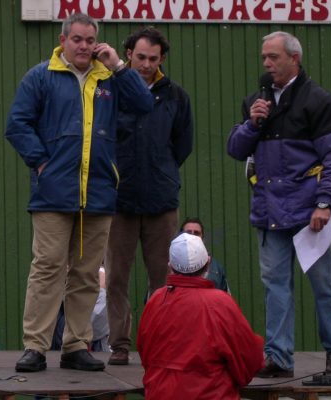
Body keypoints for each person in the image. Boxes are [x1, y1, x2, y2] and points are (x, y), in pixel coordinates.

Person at [5, 12, 153, 372]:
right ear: (63, 40)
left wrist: (119, 66)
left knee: (87, 274)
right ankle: (36, 347)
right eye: (78, 39)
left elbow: (145, 104)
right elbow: (17, 124)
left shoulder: (110, 78)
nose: (85, 46)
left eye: (90, 40)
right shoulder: (41, 76)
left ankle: (75, 345)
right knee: (48, 268)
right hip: (54, 193)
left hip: (99, 192)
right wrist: (41, 162)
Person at [227, 31, 331, 377]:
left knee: (324, 284)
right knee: (275, 287)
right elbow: (236, 150)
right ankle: (279, 358)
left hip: (310, 213)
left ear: (294, 58)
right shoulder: (257, 102)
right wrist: (252, 123)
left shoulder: (319, 101)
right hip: (269, 212)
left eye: (273, 57)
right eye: (264, 57)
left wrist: (325, 202)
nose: (266, 64)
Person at [105, 27, 193, 366]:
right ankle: (119, 346)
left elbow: (183, 145)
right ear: (128, 54)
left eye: (152, 59)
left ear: (162, 60)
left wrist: (162, 170)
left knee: (164, 281)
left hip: (161, 202)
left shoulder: (177, 96)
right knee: (115, 279)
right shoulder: (110, 90)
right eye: (140, 57)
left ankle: (158, 344)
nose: (145, 64)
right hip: (119, 199)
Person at [137, 233, 264, 399]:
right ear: (208, 263)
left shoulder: (156, 301)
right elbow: (249, 360)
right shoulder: (221, 303)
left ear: (170, 266)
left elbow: (145, 353)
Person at [180, 217, 230, 292]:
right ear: (180, 237)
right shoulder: (169, 266)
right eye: (188, 233)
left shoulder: (216, 268)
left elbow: (226, 298)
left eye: (197, 233)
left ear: (202, 238)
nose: (192, 236)